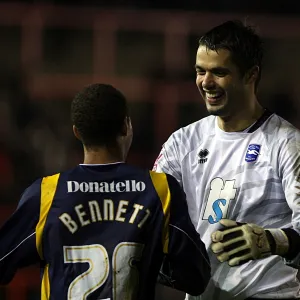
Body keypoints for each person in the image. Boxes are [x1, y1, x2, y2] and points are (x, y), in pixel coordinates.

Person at [0, 84, 211, 299]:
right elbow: (197, 277)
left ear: (77, 132)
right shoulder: (159, 190)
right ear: (126, 126)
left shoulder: (46, 194)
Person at [153, 20, 300, 300]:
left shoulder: (286, 144)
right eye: (200, 71)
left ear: (251, 75)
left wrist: (272, 241)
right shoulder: (182, 142)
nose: (206, 82)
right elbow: (153, 215)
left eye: (219, 72)